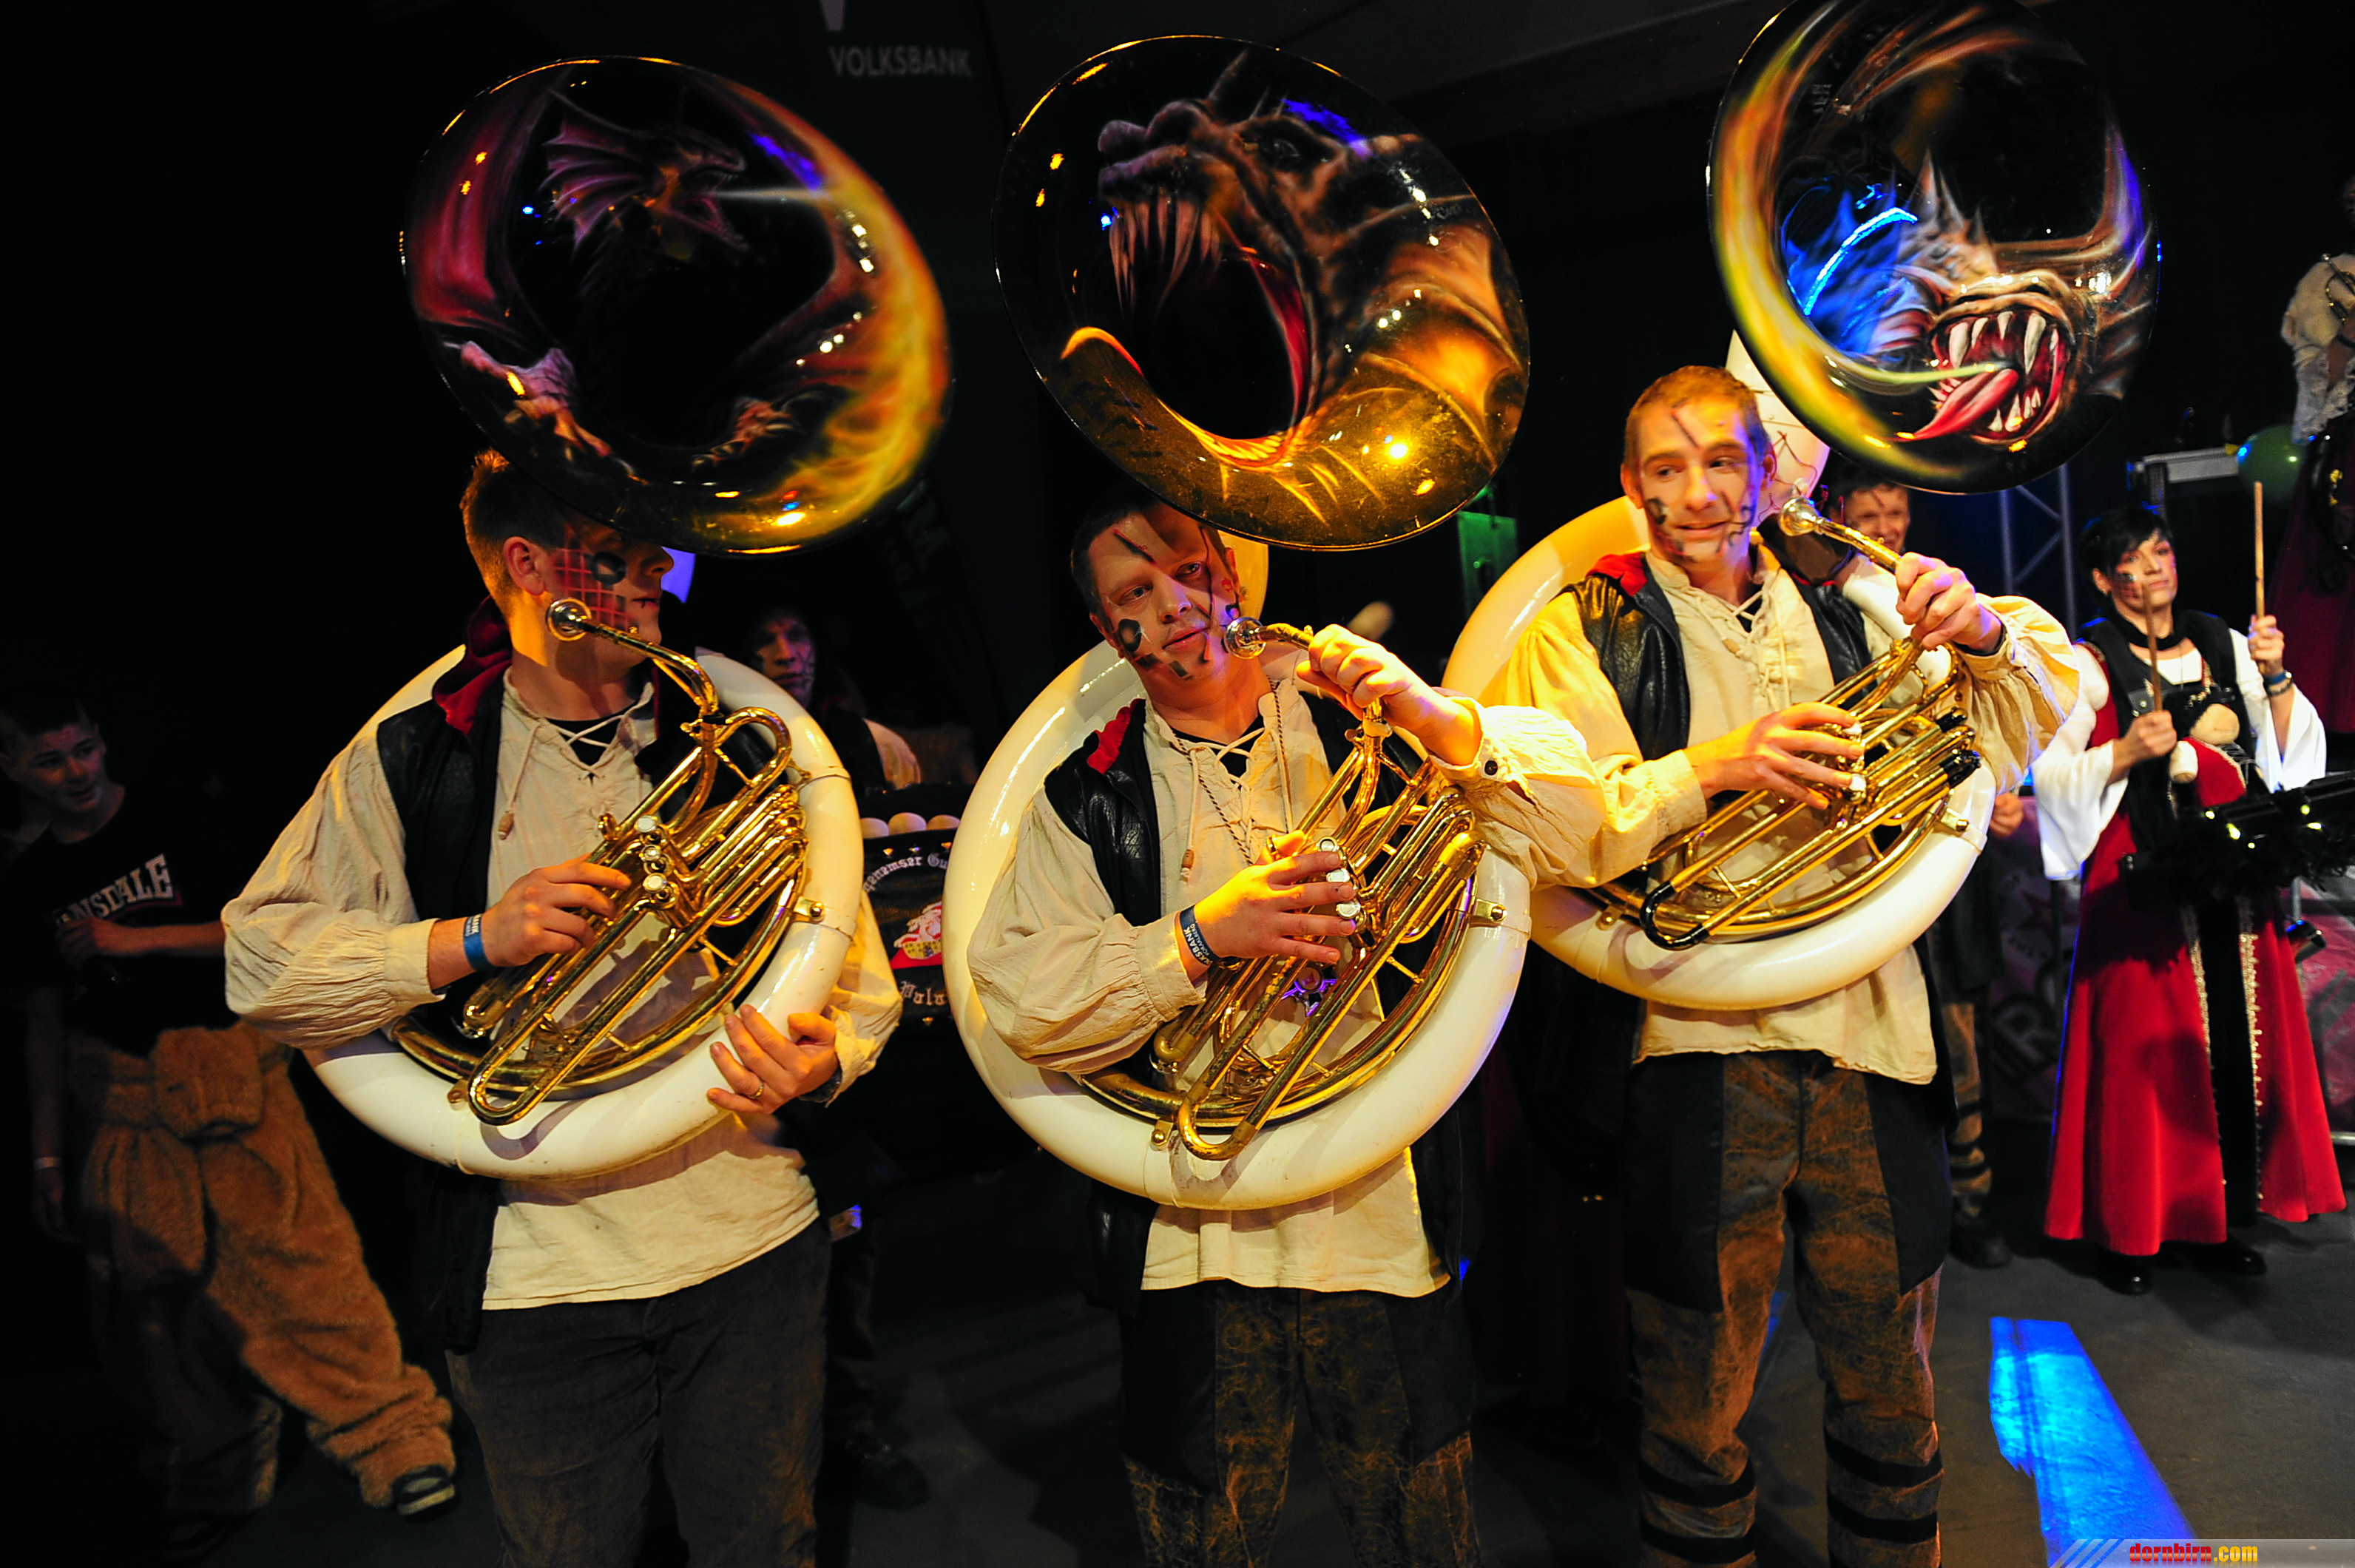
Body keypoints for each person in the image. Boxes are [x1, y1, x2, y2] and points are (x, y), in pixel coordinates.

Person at [971, 484, 1676, 1567]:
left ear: (1232, 572)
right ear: (1107, 632)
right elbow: (1021, 996)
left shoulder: (1365, 721)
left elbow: (1588, 835)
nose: (1174, 604)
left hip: (1380, 1204)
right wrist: (1200, 939)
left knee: (1423, 1535)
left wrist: (1441, 721)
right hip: (1195, 1228)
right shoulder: (1084, 792)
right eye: (1134, 593)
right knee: (1200, 1540)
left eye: (1188, 569)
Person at [222, 450, 901, 1568]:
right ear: (531, 567)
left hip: (749, 1236)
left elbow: (859, 978)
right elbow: (258, 962)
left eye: (655, 554)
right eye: (620, 557)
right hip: (535, 1279)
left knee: (766, 1549)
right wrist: (475, 939)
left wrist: (833, 1056)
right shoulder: (418, 749)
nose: (660, 579)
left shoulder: (734, 729)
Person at [1495, 365, 2078, 1568]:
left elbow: (2017, 723)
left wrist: (1978, 632)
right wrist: (1714, 768)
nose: (1698, 493)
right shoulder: (1576, 628)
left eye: (1723, 462)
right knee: (1693, 1391)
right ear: (1628, 484)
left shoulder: (1851, 603)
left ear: (1763, 474)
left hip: (1872, 1032)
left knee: (1890, 1375)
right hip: (1694, 1047)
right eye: (1667, 469)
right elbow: (1540, 826)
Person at [1, 681, 458, 1561]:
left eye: (84, 748)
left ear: (102, 738)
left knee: (308, 1263)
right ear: (13, 767)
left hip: (229, 1072)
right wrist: (47, 1158)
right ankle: (213, 1463)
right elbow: (45, 1024)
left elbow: (264, 932)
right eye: (49, 760)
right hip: (124, 1100)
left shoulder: (174, 817)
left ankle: (393, 1435)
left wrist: (133, 940)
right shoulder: (30, 883)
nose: (75, 772)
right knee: (156, 1307)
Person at [2033, 507, 2345, 1294]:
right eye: (2133, 559)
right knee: (2143, 1055)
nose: (2154, 569)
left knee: (2235, 1047)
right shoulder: (2087, 664)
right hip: (2140, 884)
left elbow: (2285, 758)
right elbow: (2051, 776)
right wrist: (2122, 752)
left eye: (2161, 552)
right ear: (2103, 579)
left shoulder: (2223, 643)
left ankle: (2218, 1217)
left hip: (2232, 882)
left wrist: (2276, 677)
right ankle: (2131, 1231)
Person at [1826, 462, 2024, 1268]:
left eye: (1897, 512)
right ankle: (1893, 1204)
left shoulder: (1942, 596)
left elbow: (1990, 706)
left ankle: (1972, 1196)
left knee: (1961, 1028)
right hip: (1866, 856)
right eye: (1870, 513)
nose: (1886, 527)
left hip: (1944, 848)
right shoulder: (1824, 605)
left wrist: (2001, 784)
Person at [743, 605, 922, 801]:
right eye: (763, 641)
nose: (786, 655)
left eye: (797, 636)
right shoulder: (726, 755)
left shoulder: (881, 745)